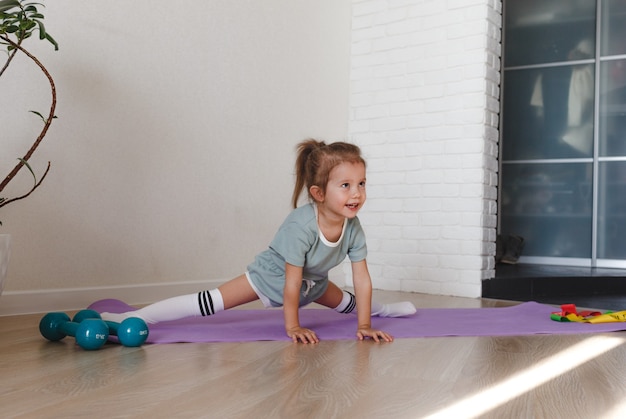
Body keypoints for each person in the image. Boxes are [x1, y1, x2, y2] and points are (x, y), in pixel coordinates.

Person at [102, 139, 416, 343]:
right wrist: (292, 327)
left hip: (315, 282)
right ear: (319, 193)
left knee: (349, 302)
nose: (357, 193)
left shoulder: (353, 226)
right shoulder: (301, 226)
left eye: (361, 183)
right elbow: (290, 283)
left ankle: (384, 311)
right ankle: (132, 317)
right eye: (346, 185)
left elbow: (361, 278)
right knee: (209, 302)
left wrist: (363, 326)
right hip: (273, 277)